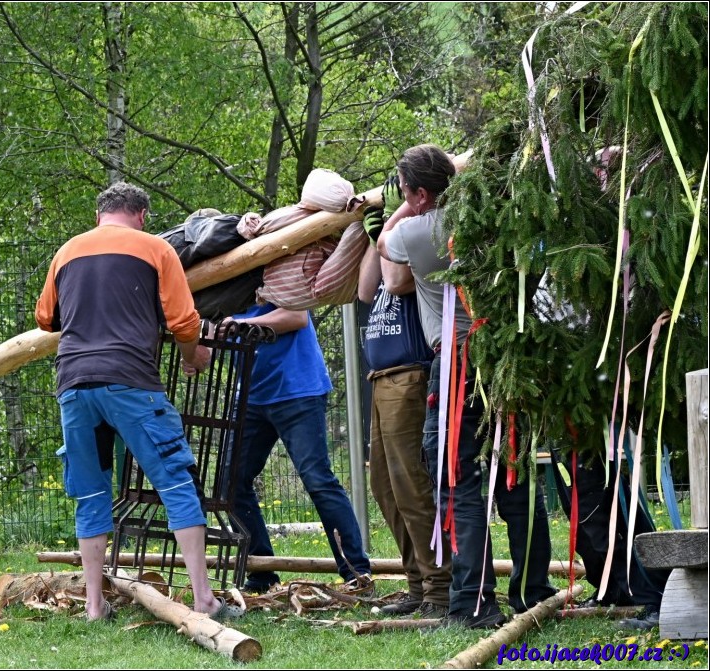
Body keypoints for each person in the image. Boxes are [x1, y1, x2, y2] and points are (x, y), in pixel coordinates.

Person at [34, 182, 241, 622]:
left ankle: (93, 606)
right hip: (131, 381)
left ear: (99, 215)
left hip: (74, 384)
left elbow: (45, 318)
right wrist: (193, 357)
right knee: (175, 482)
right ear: (142, 215)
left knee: (91, 495)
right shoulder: (155, 249)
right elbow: (185, 320)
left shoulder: (66, 252)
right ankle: (204, 599)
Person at [378, 145, 556, 628]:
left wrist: (404, 204)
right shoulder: (490, 219)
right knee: (515, 478)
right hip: (504, 356)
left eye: (406, 189)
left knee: (456, 481)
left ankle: (472, 603)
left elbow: (385, 250)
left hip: (455, 360)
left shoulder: (418, 228)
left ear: (418, 194)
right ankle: (533, 591)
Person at [224, 303, 372, 594]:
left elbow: (295, 317)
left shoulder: (280, 267)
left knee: (317, 480)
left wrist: (238, 324)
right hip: (251, 395)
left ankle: (356, 572)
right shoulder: (224, 287)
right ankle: (261, 571)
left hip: (297, 389)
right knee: (230, 483)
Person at [357, 196, 451, 619]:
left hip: (410, 375)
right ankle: (417, 583)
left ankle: (440, 588)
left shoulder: (418, 246)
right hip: (381, 380)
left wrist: (397, 217)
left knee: (412, 486)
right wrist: (369, 234)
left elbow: (394, 280)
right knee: (385, 486)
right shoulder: (389, 244)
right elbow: (364, 289)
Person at [550, 442, 668, 630]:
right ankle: (613, 590)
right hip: (559, 431)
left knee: (603, 521)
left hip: (582, 432)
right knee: (581, 523)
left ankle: (654, 597)